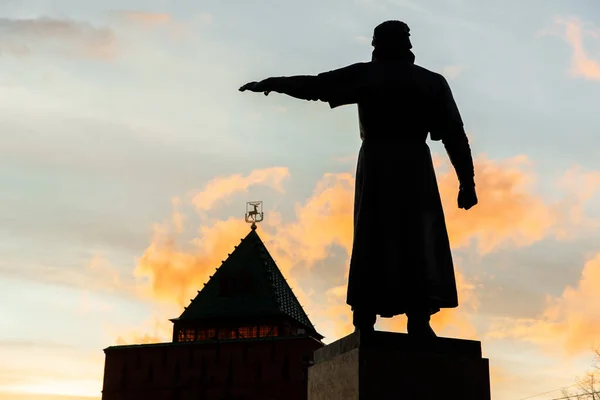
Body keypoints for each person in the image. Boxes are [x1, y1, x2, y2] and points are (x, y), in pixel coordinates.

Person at [240, 20, 477, 338]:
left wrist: (274, 82)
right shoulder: (430, 82)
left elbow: (316, 86)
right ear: (407, 45)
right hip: (413, 166)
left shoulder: (369, 75)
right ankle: (417, 318)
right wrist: (467, 182)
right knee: (415, 238)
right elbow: (454, 136)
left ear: (376, 45)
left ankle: (366, 316)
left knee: (374, 237)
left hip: (381, 162)